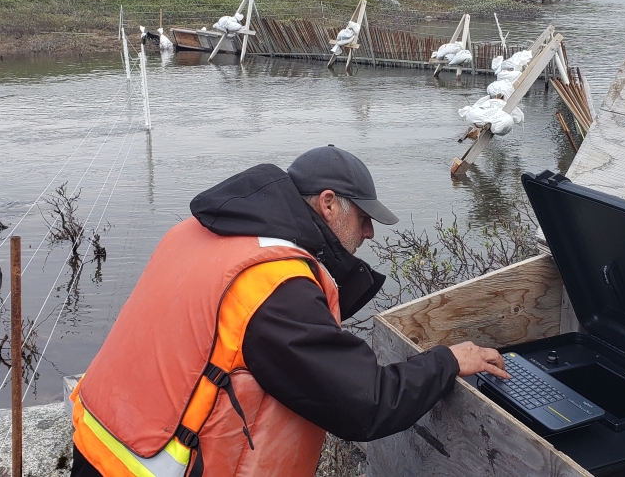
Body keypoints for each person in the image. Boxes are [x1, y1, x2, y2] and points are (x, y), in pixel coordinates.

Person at [69, 145, 509, 477]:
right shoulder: (273, 285)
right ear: (329, 203)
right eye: (365, 218)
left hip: (99, 446)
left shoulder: (198, 234)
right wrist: (449, 360)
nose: (371, 232)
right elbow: (366, 403)